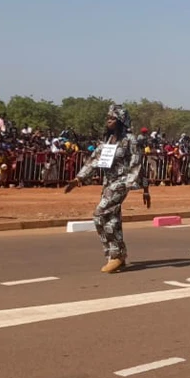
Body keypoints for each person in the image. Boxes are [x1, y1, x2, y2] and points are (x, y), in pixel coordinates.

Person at [65, 105, 144, 274]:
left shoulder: (131, 140)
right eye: (108, 117)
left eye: (113, 118)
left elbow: (137, 163)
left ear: (121, 121)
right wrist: (78, 178)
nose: (109, 120)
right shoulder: (107, 141)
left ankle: (115, 253)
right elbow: (94, 161)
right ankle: (117, 255)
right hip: (108, 182)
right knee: (112, 219)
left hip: (121, 183)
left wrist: (134, 185)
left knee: (99, 214)